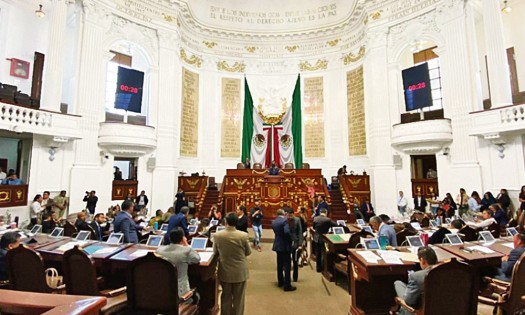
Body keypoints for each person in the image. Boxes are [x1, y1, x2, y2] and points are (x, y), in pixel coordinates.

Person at [213, 212, 251, 315]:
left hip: (225, 270)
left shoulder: (217, 235)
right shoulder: (243, 235)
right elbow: (248, 252)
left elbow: (215, 253)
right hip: (240, 271)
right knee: (239, 299)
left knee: (225, 297)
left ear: (225, 221)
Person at [157, 227, 201, 303]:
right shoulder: (186, 250)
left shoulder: (159, 250)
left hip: (162, 291)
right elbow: (197, 259)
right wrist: (186, 244)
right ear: (182, 238)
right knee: (197, 296)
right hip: (181, 294)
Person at [393, 247, 438, 314]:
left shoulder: (416, 276)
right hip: (440, 308)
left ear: (422, 260)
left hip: (419, 311)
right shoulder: (445, 273)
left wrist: (399, 300)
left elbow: (408, 302)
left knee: (397, 283)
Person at [272, 209, 295, 292]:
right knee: (287, 265)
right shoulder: (284, 221)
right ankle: (287, 285)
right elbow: (286, 232)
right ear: (284, 213)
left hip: (278, 244)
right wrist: (291, 240)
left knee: (279, 264)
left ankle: (280, 281)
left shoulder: (274, 222)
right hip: (285, 245)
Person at [313, 208, 336, 272]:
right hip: (324, 238)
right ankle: (323, 268)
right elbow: (336, 225)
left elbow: (314, 227)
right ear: (326, 212)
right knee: (323, 253)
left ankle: (318, 268)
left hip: (316, 238)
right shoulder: (328, 219)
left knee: (318, 253)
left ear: (320, 212)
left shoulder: (315, 218)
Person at [287, 208, 303, 283]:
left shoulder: (297, 220)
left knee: (295, 260)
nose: (290, 216)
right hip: (287, 242)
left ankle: (295, 277)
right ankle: (287, 277)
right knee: (287, 261)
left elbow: (300, 232)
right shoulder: (285, 220)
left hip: (295, 242)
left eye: (291, 215)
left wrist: (300, 244)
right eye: (288, 215)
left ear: (293, 214)